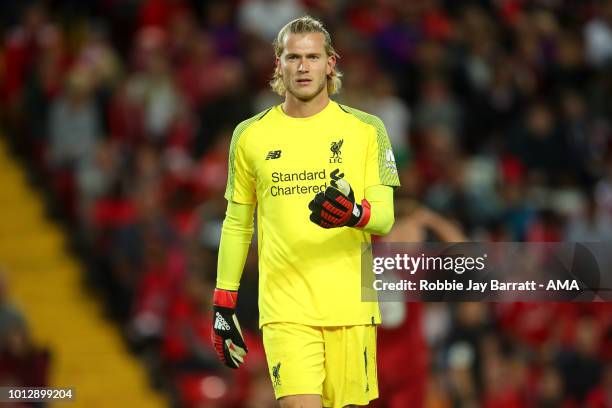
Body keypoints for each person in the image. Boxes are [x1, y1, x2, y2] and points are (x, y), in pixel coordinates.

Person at [210, 15, 400, 408]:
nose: (303, 67)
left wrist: (353, 214)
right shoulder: (250, 135)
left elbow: (384, 216)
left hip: (351, 307)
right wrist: (223, 304)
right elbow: (237, 223)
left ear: (331, 63)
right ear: (278, 63)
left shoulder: (366, 130)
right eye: (293, 57)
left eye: (312, 57)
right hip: (285, 309)